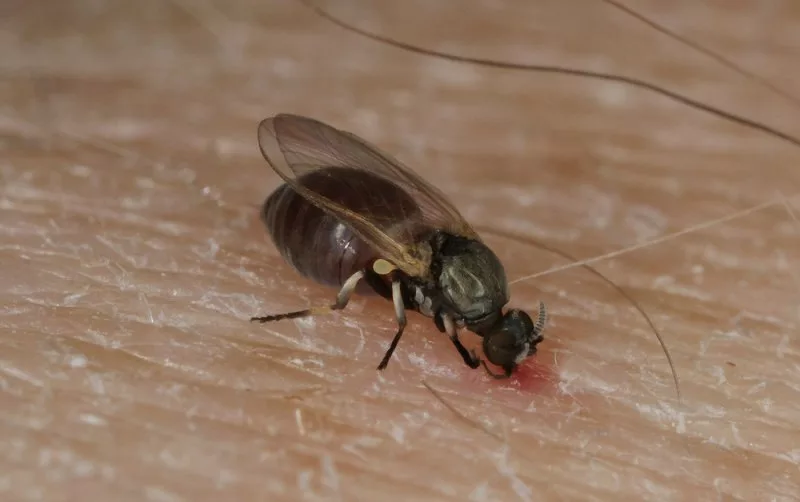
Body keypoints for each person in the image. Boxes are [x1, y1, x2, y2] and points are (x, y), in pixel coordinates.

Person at [3, 1, 799, 500]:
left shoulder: (475, 287)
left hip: (388, 222)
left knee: (401, 277)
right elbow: (414, 294)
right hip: (338, 227)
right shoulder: (458, 294)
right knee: (384, 278)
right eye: (496, 335)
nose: (495, 339)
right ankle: (330, 302)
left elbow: (435, 276)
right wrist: (394, 325)